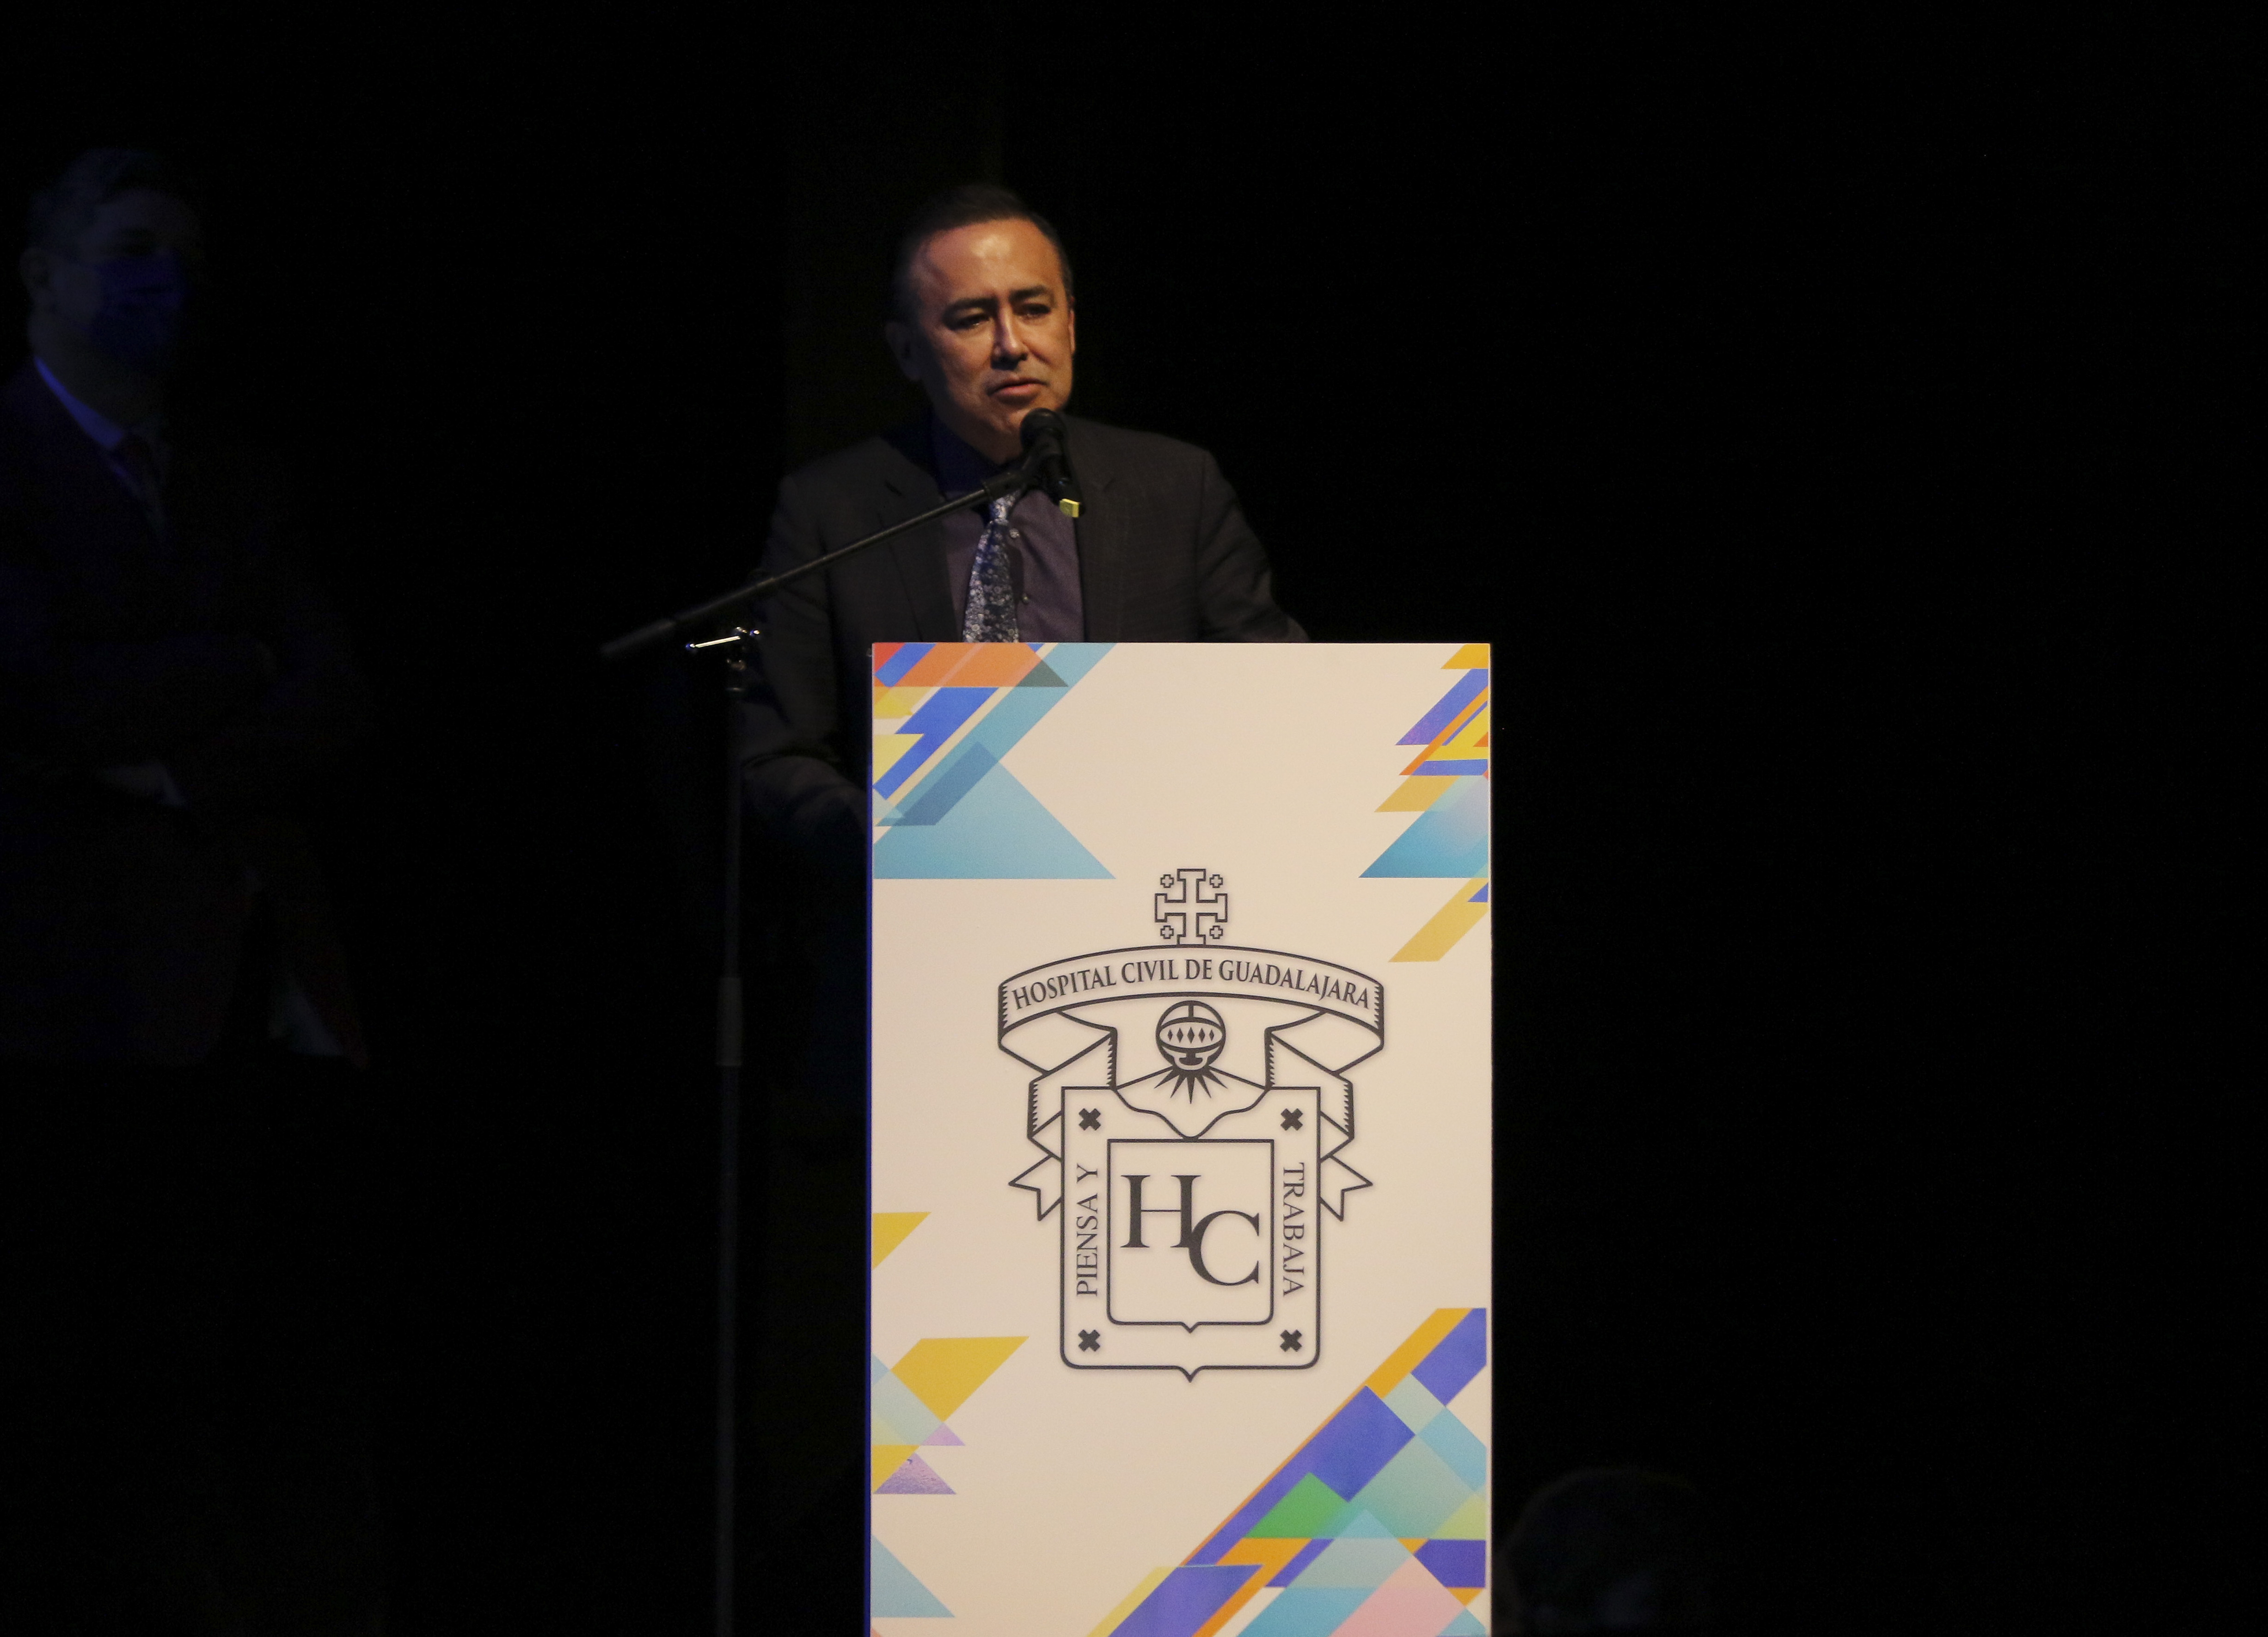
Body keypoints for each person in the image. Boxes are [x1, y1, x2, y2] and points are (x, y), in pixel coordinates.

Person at [733, 184, 1304, 1608]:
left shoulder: (1172, 487)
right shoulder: (834, 510)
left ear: (1071, 323)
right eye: (969, 317)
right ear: (907, 349)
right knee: (954, 1407)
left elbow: (1288, 708)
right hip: (925, 1021)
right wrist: (910, 837)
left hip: (1157, 1009)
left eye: (1032, 308)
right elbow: (772, 755)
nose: (1009, 343)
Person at [0, 148, 380, 1634]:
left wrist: (176, 756)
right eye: (133, 249)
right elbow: (39, 693)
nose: (168, 284)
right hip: (51, 987)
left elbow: (331, 690)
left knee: (206, 1367)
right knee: (58, 1361)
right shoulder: (11, 457)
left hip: (226, 980)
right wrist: (229, 666)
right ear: (44, 277)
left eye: (186, 259)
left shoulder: (238, 475)